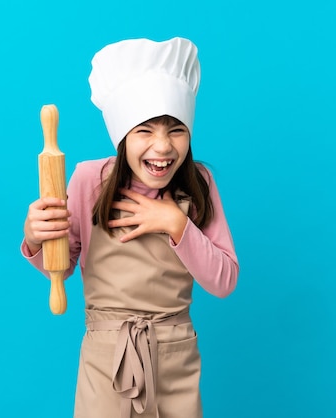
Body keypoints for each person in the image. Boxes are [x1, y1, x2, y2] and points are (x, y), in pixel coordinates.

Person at [21, 37, 239, 418]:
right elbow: (62, 266)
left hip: (176, 356)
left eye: (176, 130)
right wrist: (37, 238)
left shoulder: (198, 182)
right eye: (145, 131)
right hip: (108, 360)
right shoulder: (90, 179)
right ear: (122, 136)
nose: (163, 147)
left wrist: (176, 223)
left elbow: (224, 281)